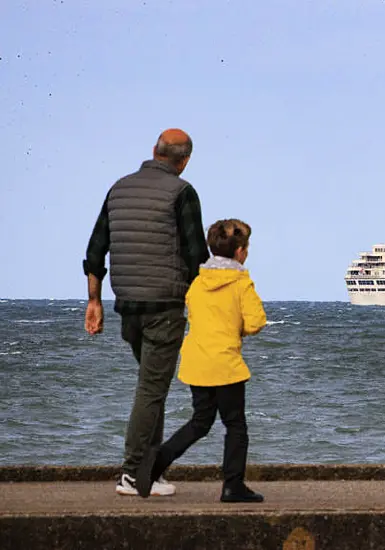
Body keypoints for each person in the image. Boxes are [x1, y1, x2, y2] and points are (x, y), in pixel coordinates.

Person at [84, 128, 209, 496]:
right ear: (184, 161)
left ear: (154, 151)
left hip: (127, 308)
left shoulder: (118, 189)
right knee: (151, 390)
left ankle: (149, 472)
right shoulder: (182, 193)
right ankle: (132, 473)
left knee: (152, 389)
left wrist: (93, 301)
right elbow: (195, 254)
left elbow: (95, 250)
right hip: (164, 307)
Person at [136, 219, 267, 503]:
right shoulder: (240, 283)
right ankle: (233, 486)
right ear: (240, 252)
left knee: (200, 422)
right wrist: (237, 328)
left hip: (197, 362)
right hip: (226, 365)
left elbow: (195, 315)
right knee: (235, 426)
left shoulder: (197, 282)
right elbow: (257, 321)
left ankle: (158, 460)